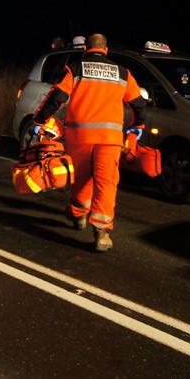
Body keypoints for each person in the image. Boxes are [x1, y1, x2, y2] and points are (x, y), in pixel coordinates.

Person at [33, 33, 146, 252]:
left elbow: (57, 96)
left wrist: (40, 119)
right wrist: (137, 126)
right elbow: (139, 103)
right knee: (106, 183)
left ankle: (78, 216)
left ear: (86, 48)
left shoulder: (76, 69)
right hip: (110, 140)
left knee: (81, 179)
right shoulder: (122, 73)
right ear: (106, 49)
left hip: (80, 138)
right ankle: (102, 235)